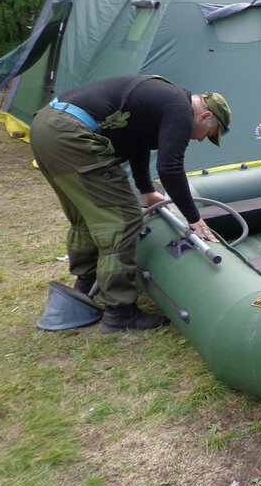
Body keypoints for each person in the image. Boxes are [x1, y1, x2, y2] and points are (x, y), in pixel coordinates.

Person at [29, 75, 231, 332]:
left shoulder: (164, 98)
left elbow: (138, 143)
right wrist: (193, 217)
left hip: (45, 125)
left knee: (85, 214)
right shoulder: (180, 109)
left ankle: (84, 285)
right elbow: (169, 168)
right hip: (71, 133)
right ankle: (119, 313)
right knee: (123, 220)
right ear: (204, 117)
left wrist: (147, 191)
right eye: (208, 134)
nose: (201, 140)